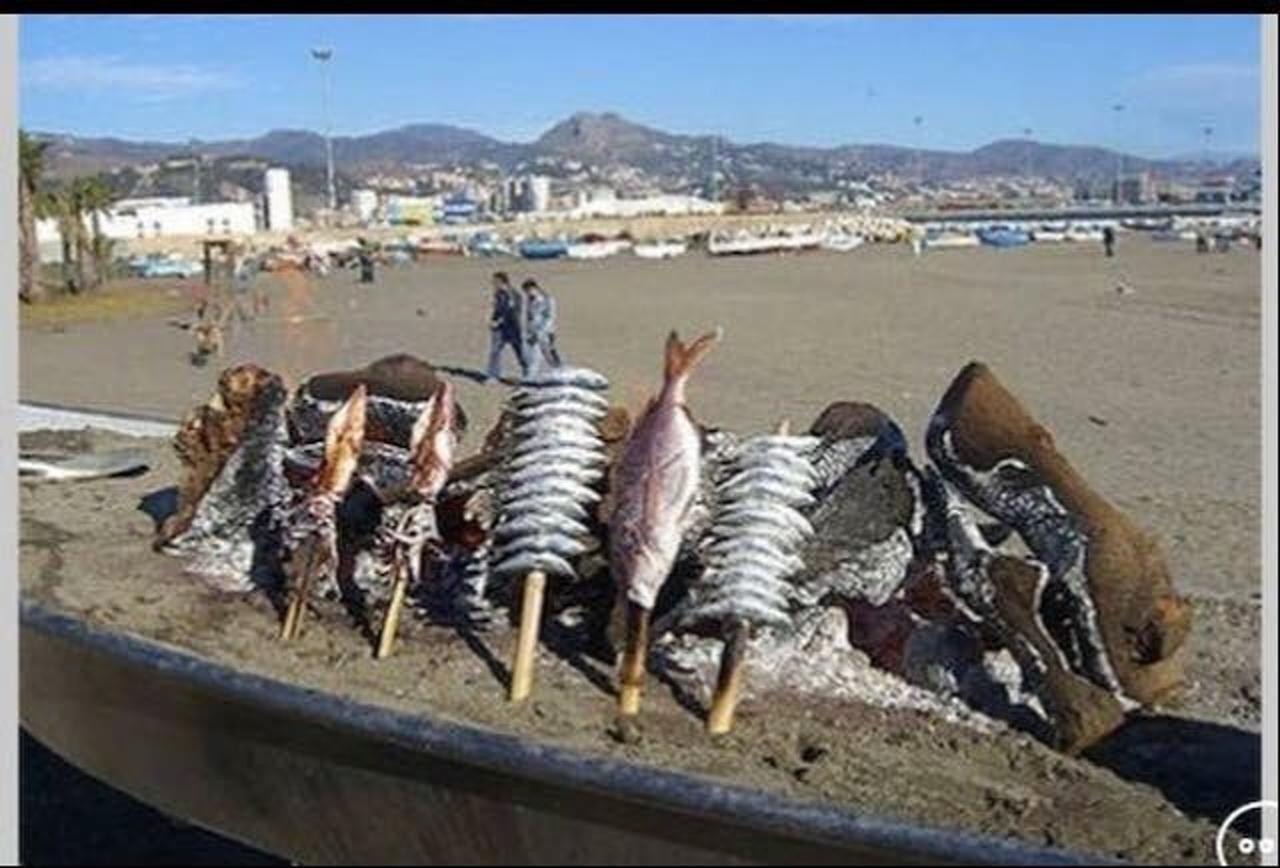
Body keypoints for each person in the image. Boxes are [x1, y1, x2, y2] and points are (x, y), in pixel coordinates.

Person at [485, 271, 527, 382]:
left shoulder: (514, 295)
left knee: (520, 351)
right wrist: (491, 319)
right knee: (495, 351)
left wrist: (499, 321)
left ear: (502, 282)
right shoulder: (498, 294)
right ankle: (493, 375)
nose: (493, 284)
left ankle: (527, 372)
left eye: (495, 282)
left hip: (512, 328)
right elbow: (495, 308)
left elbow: (511, 312)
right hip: (499, 329)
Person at [522, 278, 562, 374]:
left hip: (546, 331)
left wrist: (540, 332)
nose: (527, 293)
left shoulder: (546, 299)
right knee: (533, 354)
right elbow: (529, 317)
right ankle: (531, 374)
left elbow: (549, 317)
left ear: (534, 287)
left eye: (528, 290)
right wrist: (529, 331)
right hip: (533, 332)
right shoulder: (529, 300)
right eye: (526, 292)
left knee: (548, 352)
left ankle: (559, 370)